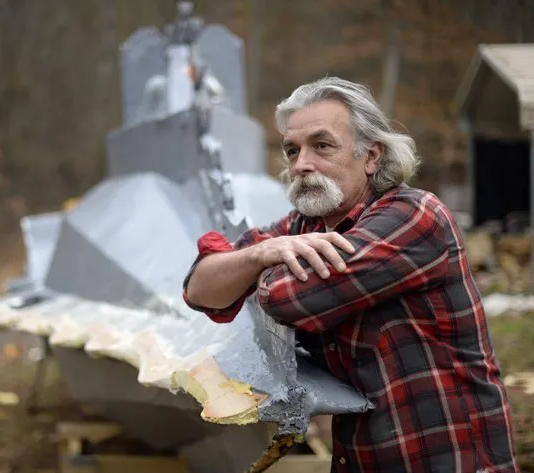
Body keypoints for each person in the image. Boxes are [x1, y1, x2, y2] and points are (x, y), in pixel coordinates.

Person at [182, 77, 519, 473]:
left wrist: (255, 271)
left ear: (371, 156)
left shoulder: (414, 216)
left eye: (322, 146)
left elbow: (287, 299)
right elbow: (200, 289)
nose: (301, 164)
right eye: (293, 150)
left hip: (445, 457)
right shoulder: (302, 227)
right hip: (364, 456)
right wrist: (264, 252)